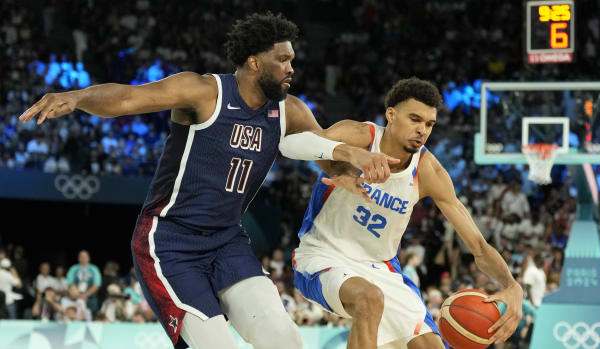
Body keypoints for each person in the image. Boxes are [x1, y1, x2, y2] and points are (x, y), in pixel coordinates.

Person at [19, 12, 394, 349]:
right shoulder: (203, 92)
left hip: (227, 241)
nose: (291, 67)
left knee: (286, 341)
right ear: (253, 62)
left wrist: (349, 170)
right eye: (282, 59)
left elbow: (324, 155)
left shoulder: (290, 111)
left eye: (292, 59)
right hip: (169, 241)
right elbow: (126, 98)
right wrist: (78, 96)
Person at [292, 77, 523, 348]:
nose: (422, 130)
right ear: (391, 114)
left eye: (429, 124)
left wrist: (511, 285)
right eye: (415, 119)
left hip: (381, 268)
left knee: (430, 345)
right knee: (368, 298)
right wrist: (346, 158)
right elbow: (292, 145)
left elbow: (479, 246)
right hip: (322, 254)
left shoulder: (428, 171)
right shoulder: (359, 136)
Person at [66, 250, 101, 316]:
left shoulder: (94, 269)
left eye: (85, 257)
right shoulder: (73, 268)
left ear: (89, 258)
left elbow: (96, 284)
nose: (83, 259)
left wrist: (86, 294)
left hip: (90, 297)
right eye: (81, 257)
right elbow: (70, 283)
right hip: (76, 297)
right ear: (78, 258)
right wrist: (79, 295)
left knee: (91, 314)